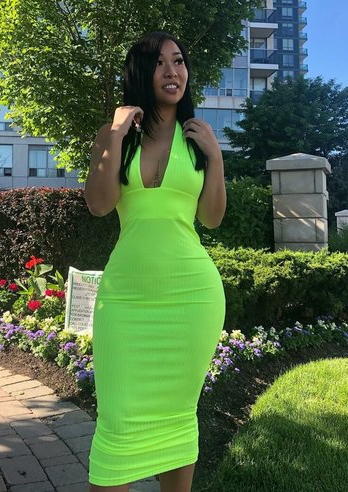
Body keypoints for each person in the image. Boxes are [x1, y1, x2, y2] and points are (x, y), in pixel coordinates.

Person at [84, 31, 226, 492]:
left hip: (192, 298)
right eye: (161, 62)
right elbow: (99, 205)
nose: (172, 70)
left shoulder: (198, 138)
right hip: (125, 303)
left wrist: (216, 160)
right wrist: (114, 136)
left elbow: (211, 218)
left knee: (178, 418)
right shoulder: (114, 136)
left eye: (179, 61)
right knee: (116, 426)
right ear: (141, 72)